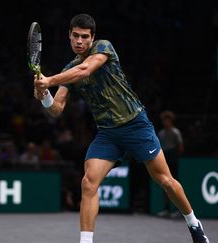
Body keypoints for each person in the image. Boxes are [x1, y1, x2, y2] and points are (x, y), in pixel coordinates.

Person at [33, 14, 209, 243]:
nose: (79, 41)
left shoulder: (103, 47)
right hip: (108, 134)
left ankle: (194, 224)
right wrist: (44, 95)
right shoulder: (69, 70)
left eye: (84, 37)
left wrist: (49, 81)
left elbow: (86, 70)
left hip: (136, 125)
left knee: (165, 181)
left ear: (92, 38)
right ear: (69, 35)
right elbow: (56, 109)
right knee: (88, 182)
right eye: (75, 35)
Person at [157, 110, 184, 217]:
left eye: (168, 120)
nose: (166, 122)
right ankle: (166, 209)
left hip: (173, 158)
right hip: (165, 158)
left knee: (174, 184)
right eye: (164, 120)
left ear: (171, 121)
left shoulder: (175, 132)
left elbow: (180, 147)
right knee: (165, 185)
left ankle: (178, 210)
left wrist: (175, 156)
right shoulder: (161, 133)